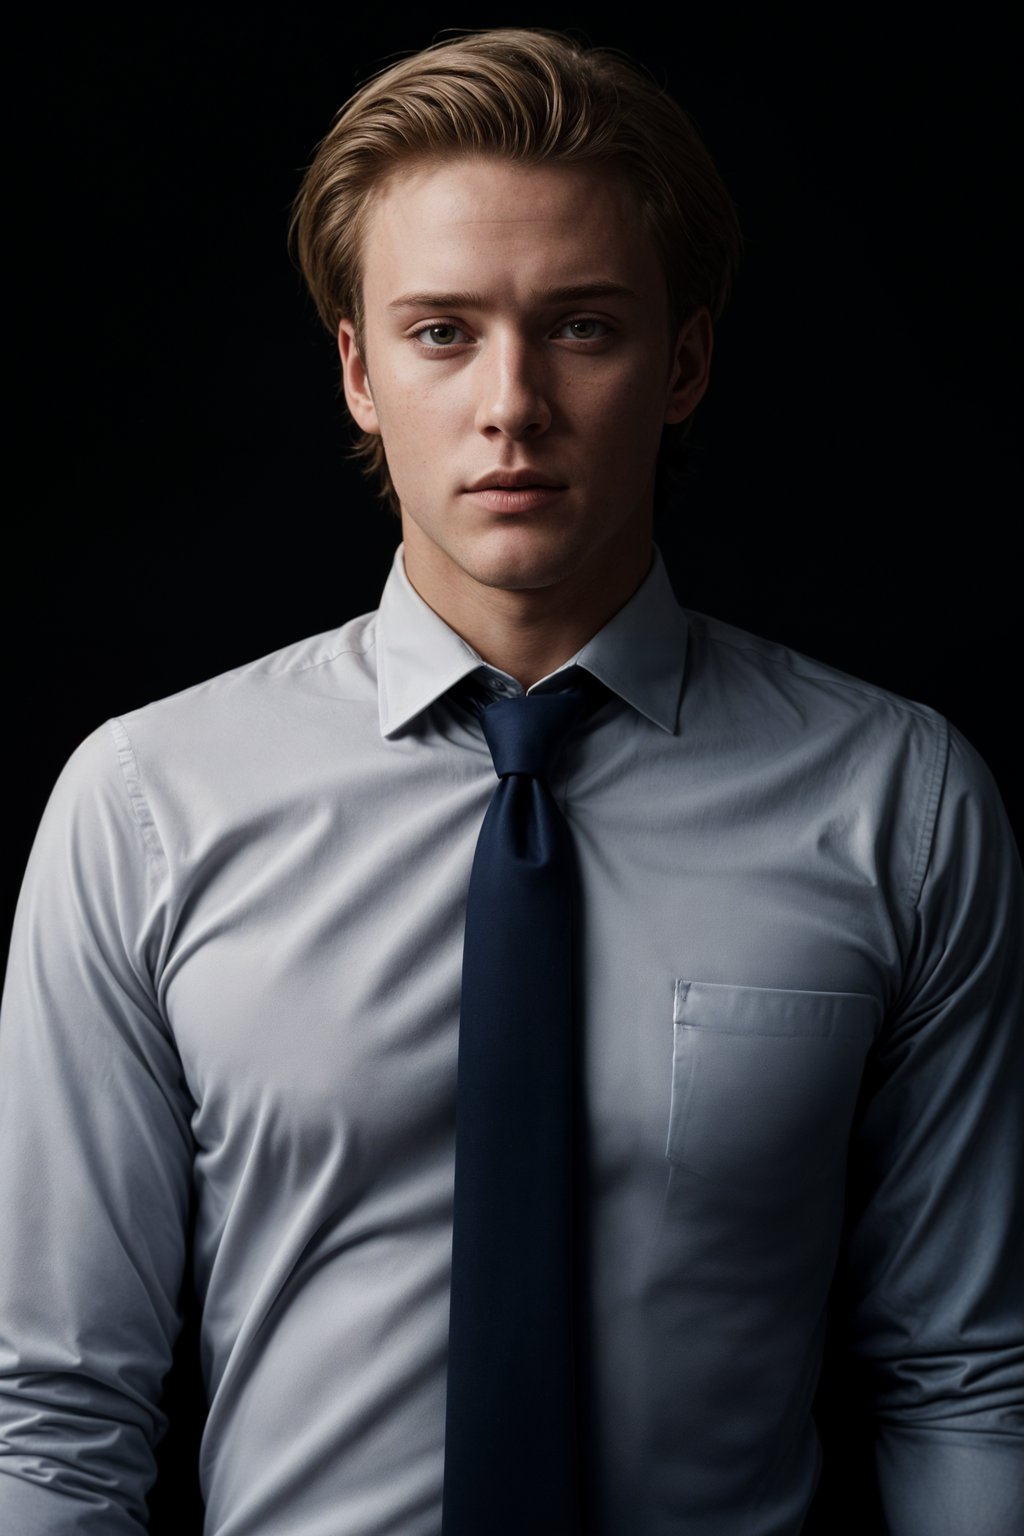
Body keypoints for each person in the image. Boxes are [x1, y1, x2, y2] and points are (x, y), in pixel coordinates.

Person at [1, 25, 1021, 1536]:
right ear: (357, 368)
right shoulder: (149, 806)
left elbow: (961, 1380)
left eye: (584, 328)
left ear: (683, 364)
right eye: (441, 332)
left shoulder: (900, 805)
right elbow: (55, 1408)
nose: (511, 404)